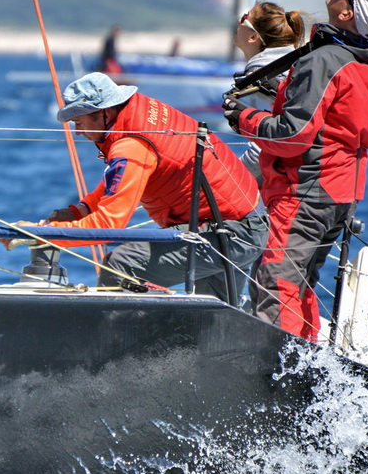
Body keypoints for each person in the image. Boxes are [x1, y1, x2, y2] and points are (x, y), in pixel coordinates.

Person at [222, 0, 368, 340]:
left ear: (346, 12)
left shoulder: (324, 60)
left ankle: (277, 375)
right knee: (300, 282)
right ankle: (305, 365)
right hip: (342, 189)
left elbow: (293, 135)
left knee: (276, 280)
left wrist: (243, 118)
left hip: (307, 189)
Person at [38, 72, 267, 307]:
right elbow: (116, 185)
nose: (78, 132)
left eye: (79, 122)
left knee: (120, 266)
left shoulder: (132, 145)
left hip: (230, 232)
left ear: (103, 113)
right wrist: (79, 212)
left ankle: (119, 340)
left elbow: (108, 225)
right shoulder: (137, 114)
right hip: (243, 224)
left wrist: (43, 235)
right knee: (213, 321)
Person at [231, 1, 306, 180]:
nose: (239, 23)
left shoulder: (263, 76)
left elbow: (268, 144)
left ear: (253, 37)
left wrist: (233, 179)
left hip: (287, 184)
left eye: (244, 19)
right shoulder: (287, 67)